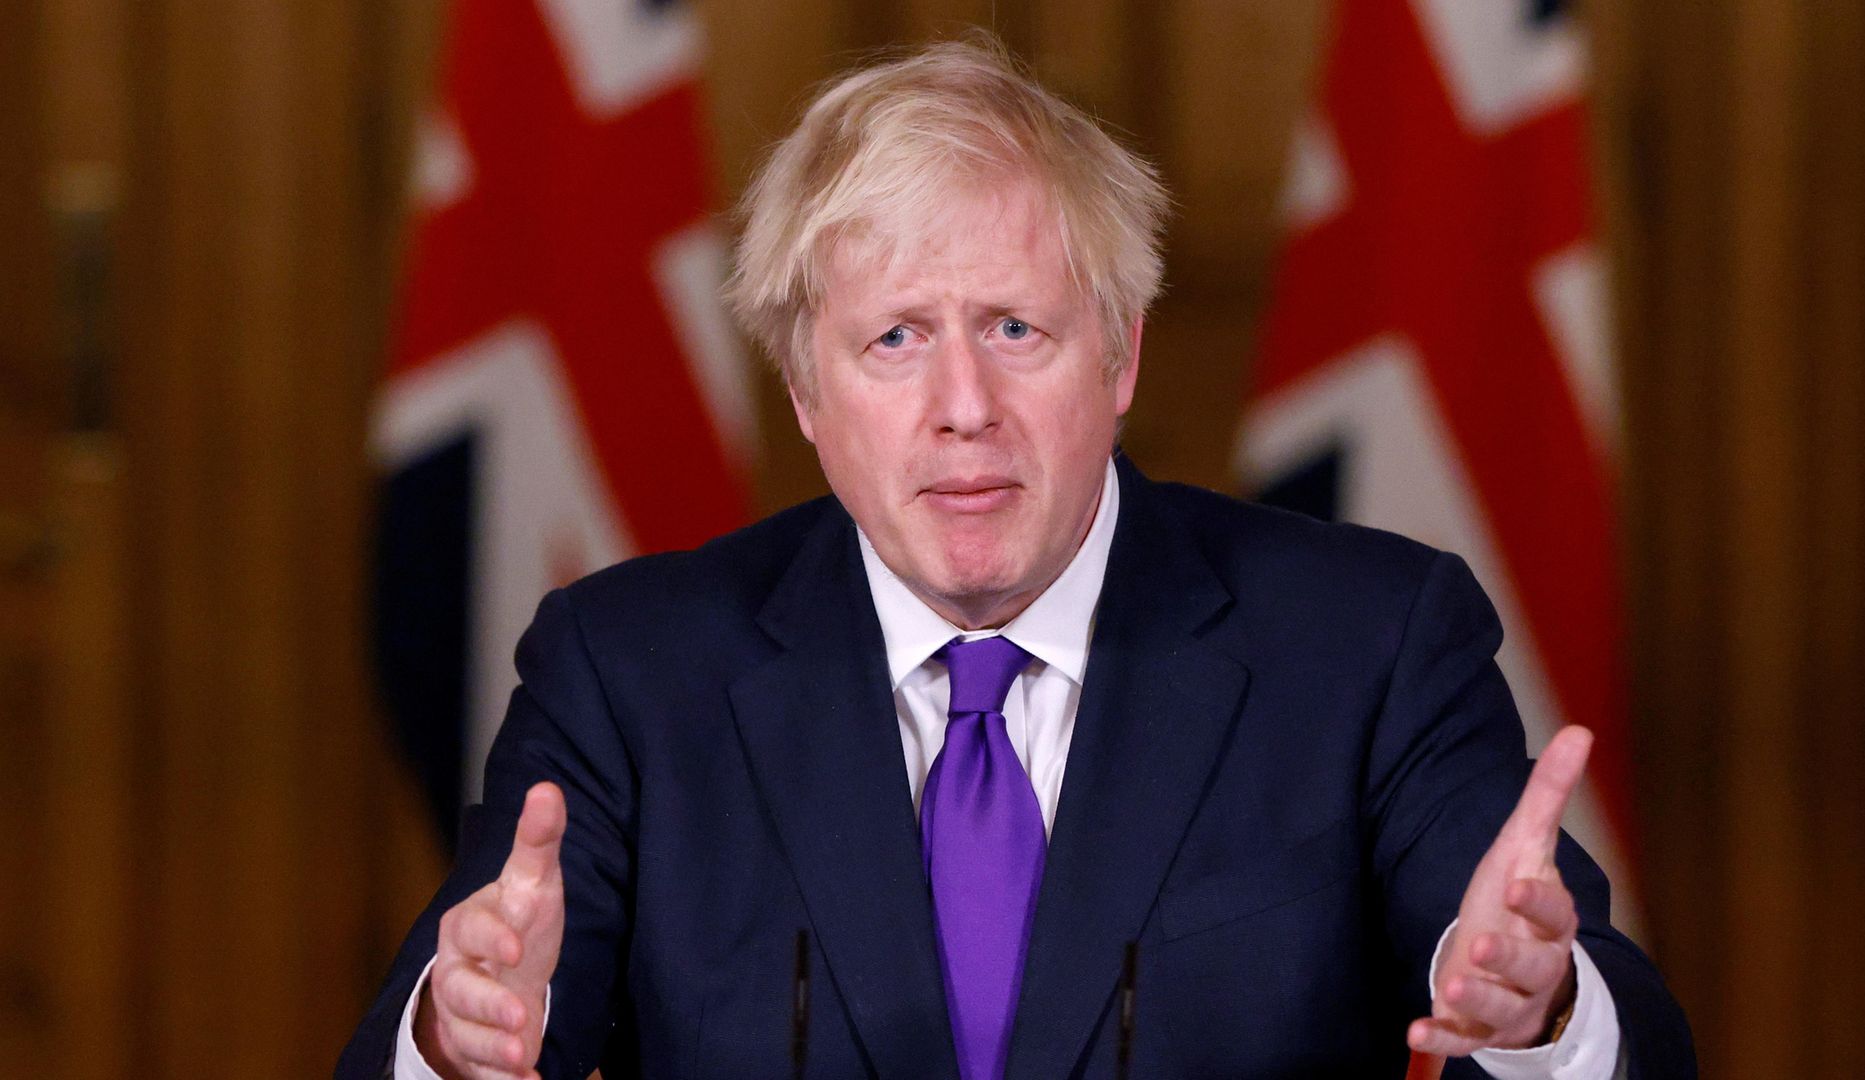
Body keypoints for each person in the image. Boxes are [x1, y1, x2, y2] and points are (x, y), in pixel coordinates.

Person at [338, 39, 1693, 1080]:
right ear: (807, 394)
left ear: (1122, 355)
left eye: (1016, 330)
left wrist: (1542, 1011)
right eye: (894, 340)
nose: (963, 406)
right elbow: (460, 1024)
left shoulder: (1369, 643)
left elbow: (1621, 1040)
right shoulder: (629, 675)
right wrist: (460, 1040)